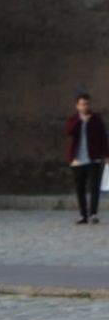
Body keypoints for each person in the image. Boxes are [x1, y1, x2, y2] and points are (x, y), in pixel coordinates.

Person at [65, 92, 107, 224]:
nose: (85, 106)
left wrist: (106, 154)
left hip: (93, 158)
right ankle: (83, 215)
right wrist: (80, 121)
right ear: (77, 106)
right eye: (82, 104)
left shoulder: (96, 119)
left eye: (87, 104)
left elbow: (103, 137)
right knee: (80, 188)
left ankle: (93, 213)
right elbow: (68, 132)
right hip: (78, 159)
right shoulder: (73, 120)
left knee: (94, 187)